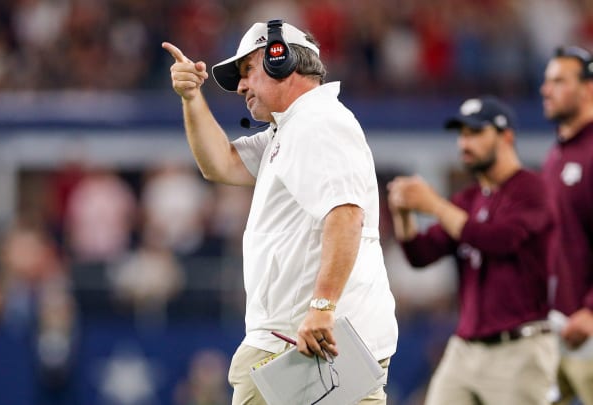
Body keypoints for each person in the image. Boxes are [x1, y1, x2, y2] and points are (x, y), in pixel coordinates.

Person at [162, 19, 398, 404]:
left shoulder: (318, 123)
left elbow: (346, 215)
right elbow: (220, 163)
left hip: (306, 344)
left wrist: (322, 307)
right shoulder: (291, 129)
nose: (240, 87)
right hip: (302, 342)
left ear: (280, 60)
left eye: (248, 71)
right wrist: (191, 97)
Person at [387, 96, 558, 405]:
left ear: (507, 137)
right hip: (465, 347)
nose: (465, 142)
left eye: (476, 133)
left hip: (519, 347)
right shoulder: (469, 199)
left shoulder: (533, 188)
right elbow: (420, 254)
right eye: (462, 134)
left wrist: (435, 205)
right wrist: (403, 213)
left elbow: (499, 240)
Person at [540, 45, 593, 405]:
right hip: (559, 326)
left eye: (559, 81)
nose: (546, 89)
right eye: (546, 81)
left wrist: (591, 309)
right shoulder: (557, 155)